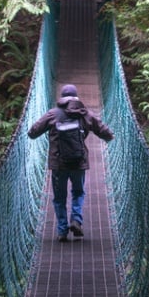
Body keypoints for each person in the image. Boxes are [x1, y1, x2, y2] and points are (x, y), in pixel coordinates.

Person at [29, 83, 114, 242]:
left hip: (58, 164)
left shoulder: (52, 114)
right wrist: (109, 137)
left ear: (62, 98)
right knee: (78, 192)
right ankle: (76, 220)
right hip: (78, 162)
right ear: (76, 98)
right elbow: (104, 131)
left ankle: (62, 230)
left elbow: (33, 132)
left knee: (59, 198)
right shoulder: (84, 113)